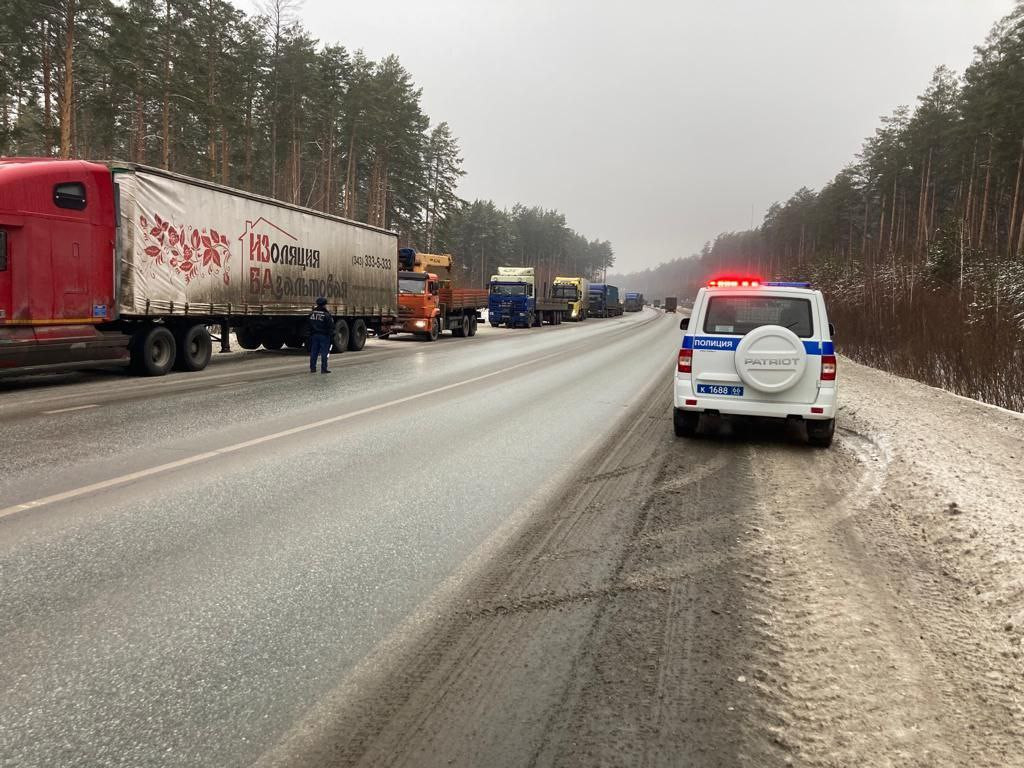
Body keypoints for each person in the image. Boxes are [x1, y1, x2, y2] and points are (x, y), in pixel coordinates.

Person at [308, 297, 334, 374]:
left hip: (314, 335)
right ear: (324, 305)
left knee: (314, 352)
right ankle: (324, 369)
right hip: (324, 336)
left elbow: (308, 324)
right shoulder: (326, 315)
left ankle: (313, 368)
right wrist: (331, 336)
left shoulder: (312, 314)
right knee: (324, 352)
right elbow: (330, 326)